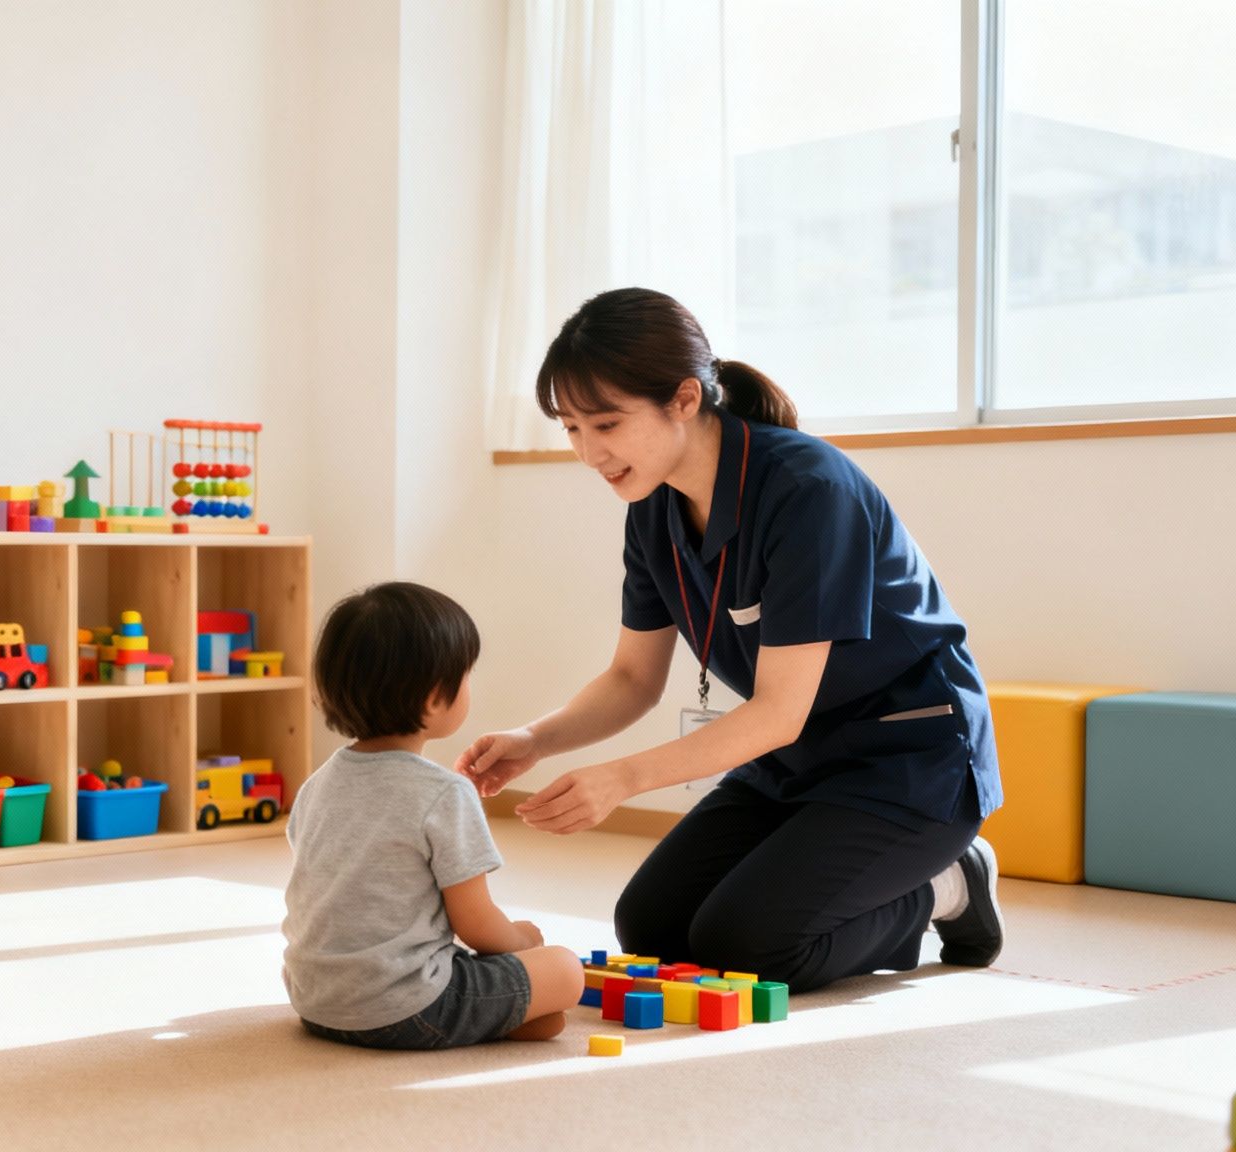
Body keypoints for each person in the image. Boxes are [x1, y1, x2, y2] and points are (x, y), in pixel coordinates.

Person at [457, 287, 1004, 994]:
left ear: (684, 399)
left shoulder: (810, 491)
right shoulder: (652, 507)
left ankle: (949, 886)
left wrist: (622, 778)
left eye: (607, 423)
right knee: (652, 928)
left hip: (908, 760)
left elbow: (779, 709)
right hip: (794, 759)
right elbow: (632, 679)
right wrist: (537, 740)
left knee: (750, 947)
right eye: (570, 428)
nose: (589, 453)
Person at [284, 582, 583, 1050]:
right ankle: (486, 1016)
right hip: (405, 1006)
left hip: (317, 1004)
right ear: (432, 698)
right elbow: (477, 925)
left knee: (543, 1011)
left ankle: (498, 1016)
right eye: (466, 675)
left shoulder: (317, 785)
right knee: (565, 968)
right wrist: (524, 942)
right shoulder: (444, 793)